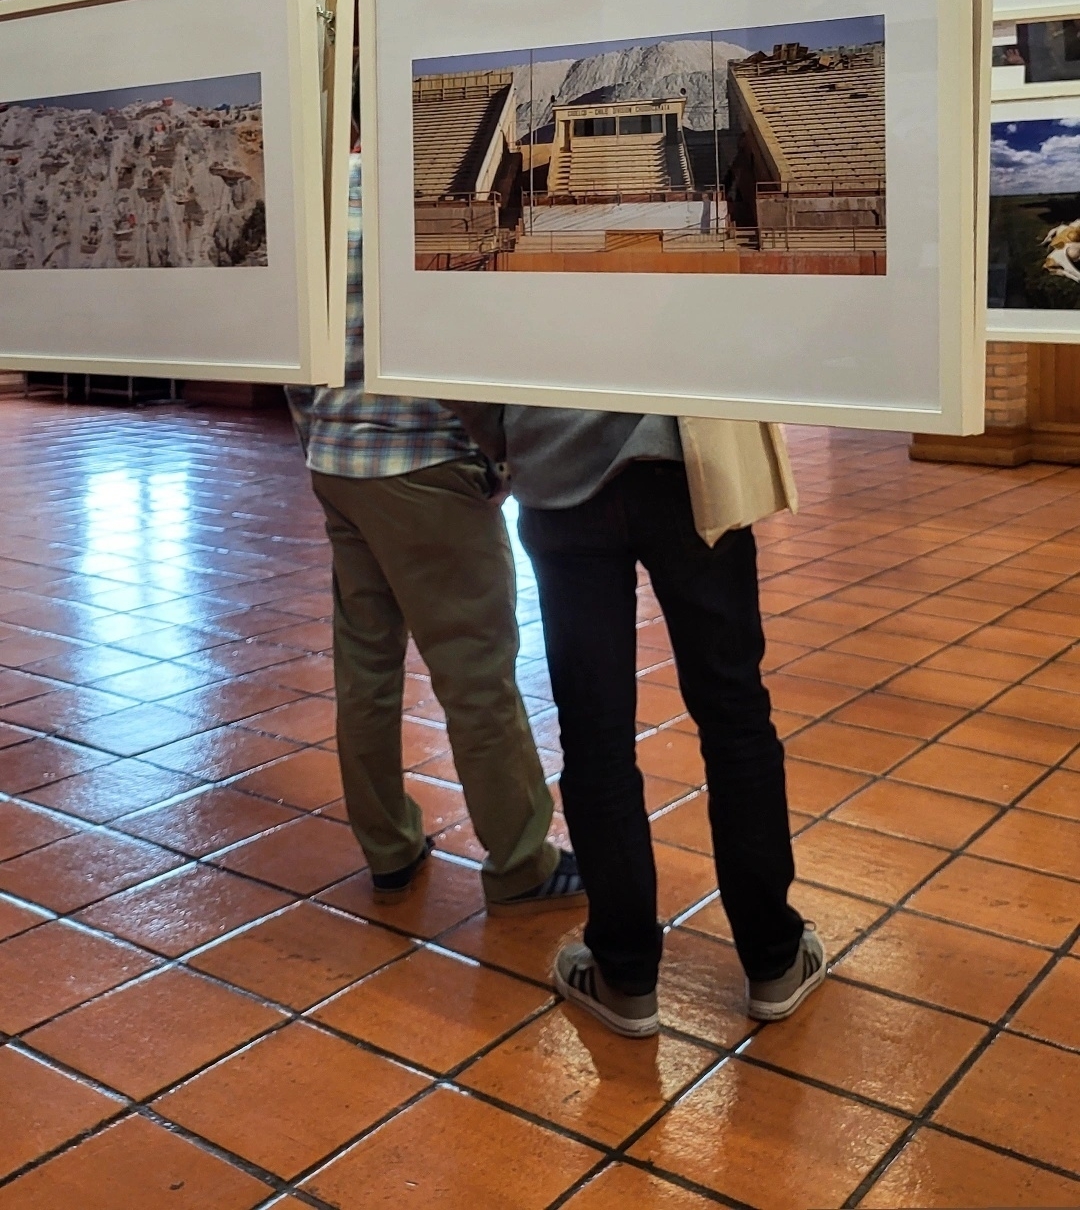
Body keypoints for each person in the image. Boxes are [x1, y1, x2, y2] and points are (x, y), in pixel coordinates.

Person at [288, 109, 583, 914]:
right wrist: (499, 454)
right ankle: (520, 860)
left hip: (337, 463)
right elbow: (471, 350)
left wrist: (318, 435)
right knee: (474, 669)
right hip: (426, 463)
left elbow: (284, 348)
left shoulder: (310, 203)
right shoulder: (427, 201)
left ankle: (388, 847)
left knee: (366, 666)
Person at [449, 403, 824, 1033]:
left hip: (557, 461)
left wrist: (509, 437)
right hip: (690, 455)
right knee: (736, 717)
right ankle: (774, 957)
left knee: (595, 735)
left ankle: (623, 974)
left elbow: (475, 360)